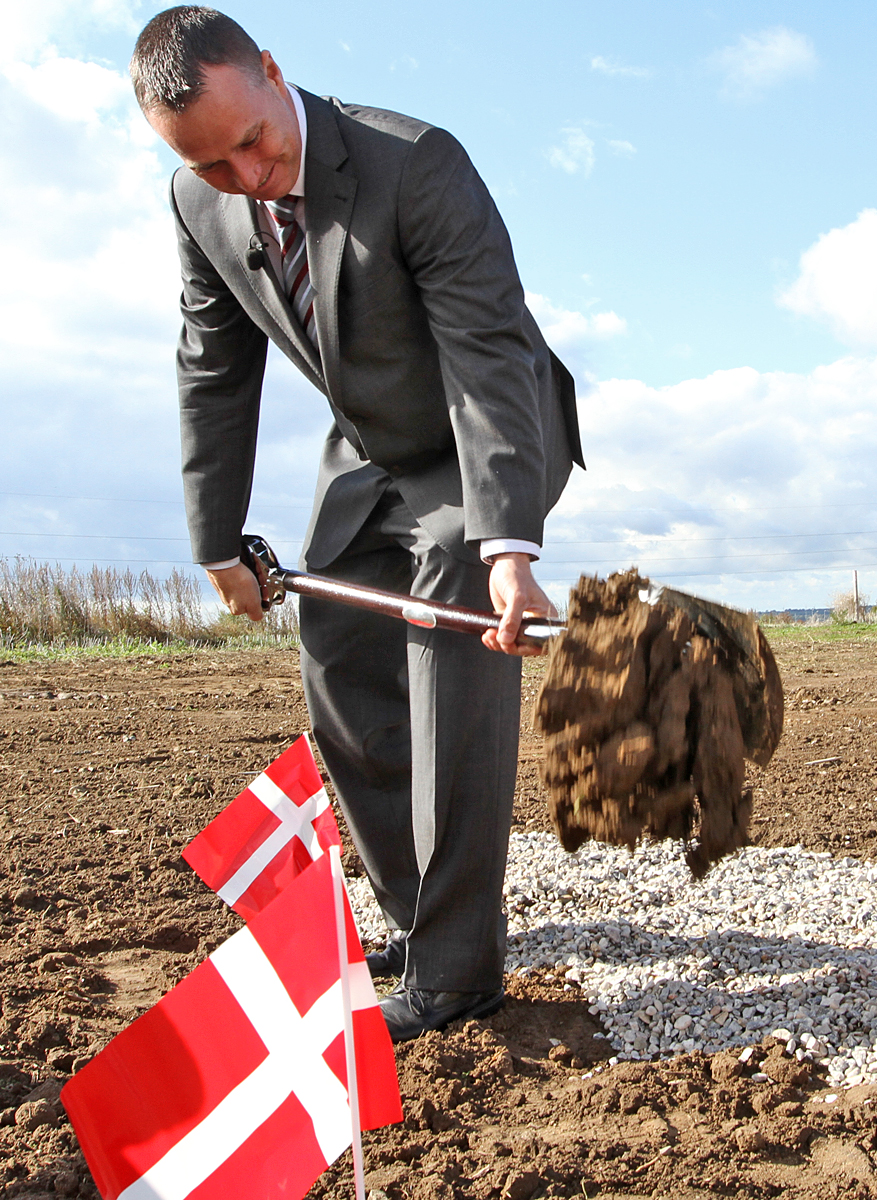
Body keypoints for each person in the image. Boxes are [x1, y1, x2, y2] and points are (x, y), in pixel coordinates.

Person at [129, 7, 583, 1040]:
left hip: (483, 433)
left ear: (273, 72)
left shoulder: (413, 163)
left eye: (252, 141)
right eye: (212, 164)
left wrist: (507, 548)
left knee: (445, 654)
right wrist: (216, 540)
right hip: (371, 450)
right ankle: (416, 915)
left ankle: (459, 973)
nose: (244, 174)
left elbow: (488, 353)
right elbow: (213, 369)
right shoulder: (198, 200)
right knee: (336, 661)